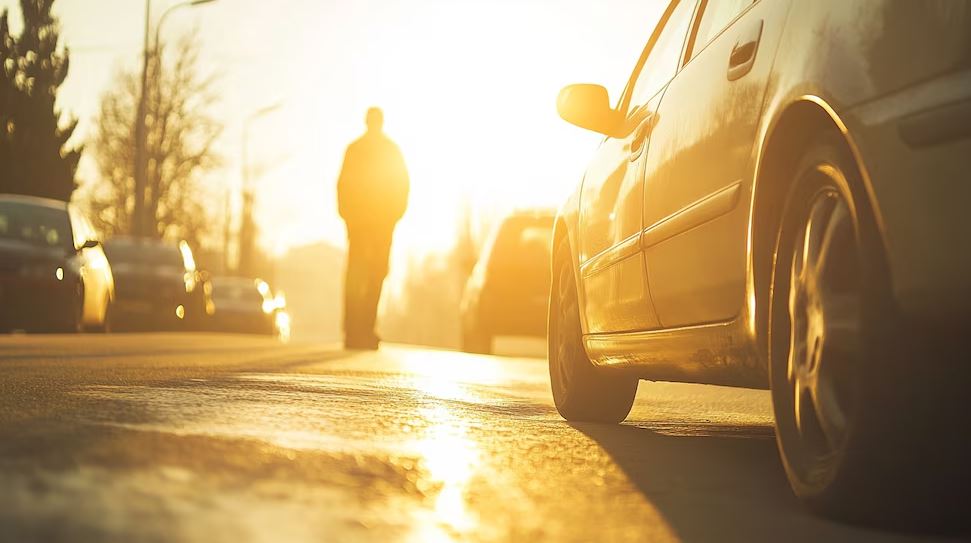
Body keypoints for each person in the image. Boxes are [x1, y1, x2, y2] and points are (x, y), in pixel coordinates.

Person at [336, 107, 409, 350]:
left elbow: (401, 186)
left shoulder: (362, 149)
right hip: (370, 226)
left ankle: (359, 330)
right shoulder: (386, 150)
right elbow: (344, 185)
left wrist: (392, 217)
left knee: (368, 276)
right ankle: (359, 329)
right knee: (367, 276)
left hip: (373, 225)